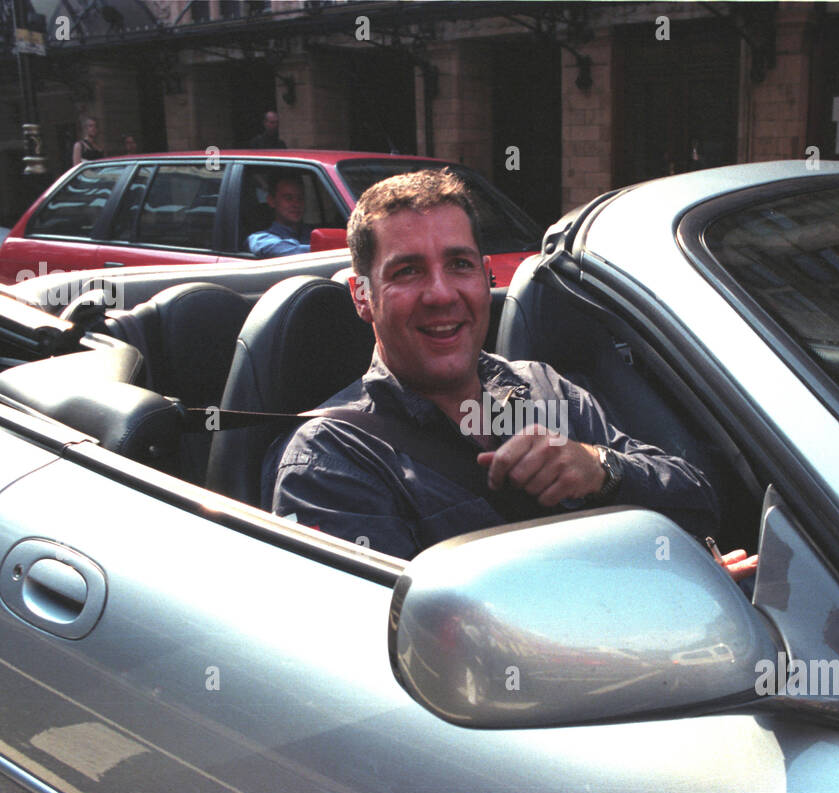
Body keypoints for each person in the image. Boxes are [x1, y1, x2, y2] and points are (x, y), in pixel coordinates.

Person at [269, 169, 759, 579]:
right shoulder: (333, 459)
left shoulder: (542, 389)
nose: (441, 294)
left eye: (459, 265)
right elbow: (406, 655)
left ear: (487, 278)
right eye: (407, 272)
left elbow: (698, 505)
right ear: (361, 296)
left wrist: (602, 470)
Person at [247, 172, 314, 257]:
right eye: (288, 198)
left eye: (300, 198)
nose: (296, 204)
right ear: (271, 201)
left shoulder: (311, 232)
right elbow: (292, 252)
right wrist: (332, 250)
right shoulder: (260, 239)